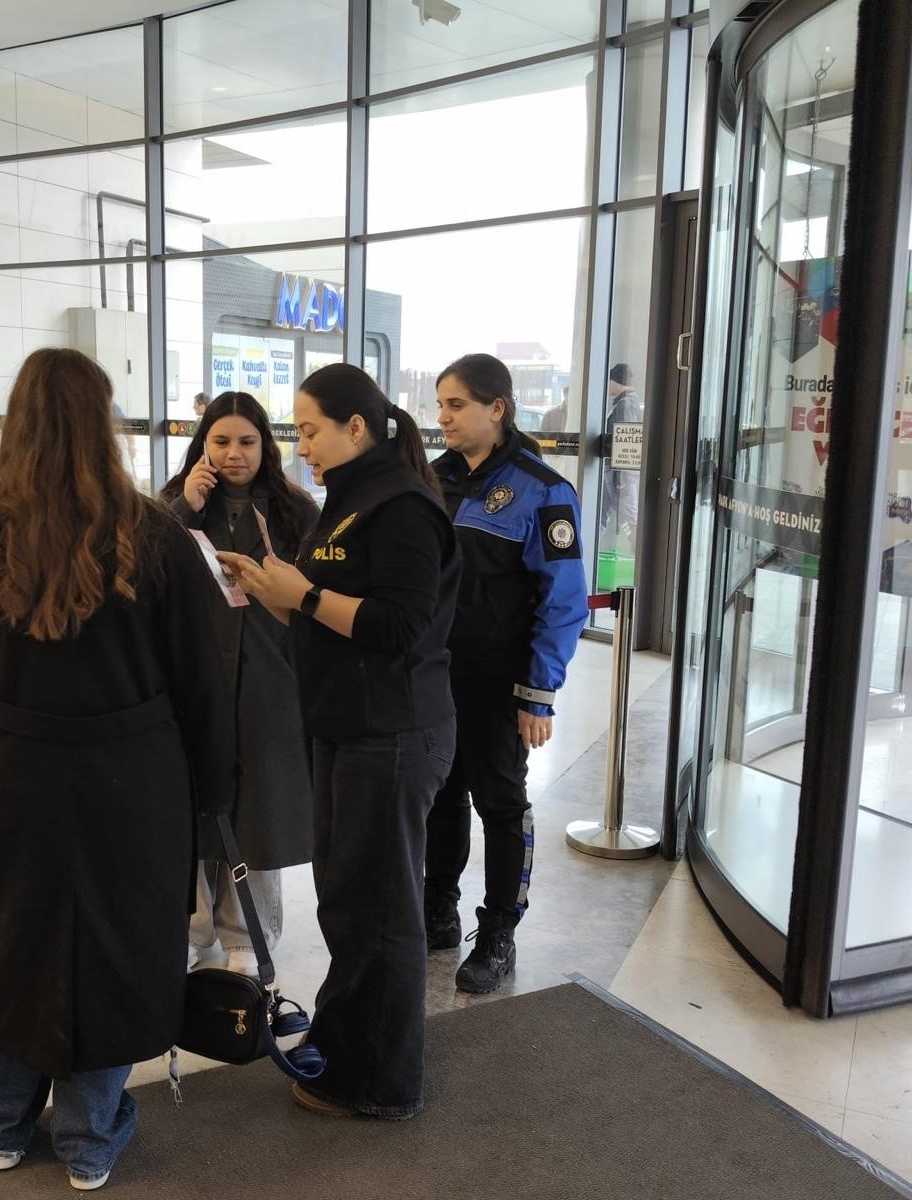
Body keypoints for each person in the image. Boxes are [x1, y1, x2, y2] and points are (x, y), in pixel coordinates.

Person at [0, 348, 235, 1190]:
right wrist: (212, 789)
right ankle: (90, 1138)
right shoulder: (156, 535)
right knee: (119, 947)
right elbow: (203, 682)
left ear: (16, 422)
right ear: (105, 422)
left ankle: (0, 1122)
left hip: (8, 772)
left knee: (10, 939)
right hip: (134, 778)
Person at [220, 363, 459, 1121]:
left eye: (310, 430)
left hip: (391, 733)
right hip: (345, 727)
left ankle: (381, 1083)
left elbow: (400, 627)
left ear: (357, 427)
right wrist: (274, 594)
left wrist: (307, 595)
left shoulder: (404, 506)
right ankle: (348, 1052)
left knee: (379, 914)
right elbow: (328, 618)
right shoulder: (350, 500)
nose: (301, 446)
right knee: (350, 906)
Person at [424, 353, 589, 993]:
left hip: (499, 680)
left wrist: (538, 693)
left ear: (497, 408)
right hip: (434, 675)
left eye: (456, 405)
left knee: (499, 802)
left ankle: (498, 933)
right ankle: (437, 909)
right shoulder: (430, 480)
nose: (443, 418)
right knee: (440, 794)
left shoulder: (542, 490)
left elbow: (563, 601)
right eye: (440, 405)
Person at [163, 392, 318, 976]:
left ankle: (250, 933)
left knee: (261, 808)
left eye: (247, 442)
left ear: (265, 445)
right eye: (221, 441)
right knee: (193, 804)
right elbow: (144, 568)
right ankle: (193, 927)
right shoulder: (174, 506)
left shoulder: (294, 510)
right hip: (195, 676)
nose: (234, 454)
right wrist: (185, 507)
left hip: (268, 675)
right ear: (203, 445)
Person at [600, 363, 644, 554]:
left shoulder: (626, 405)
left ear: (615, 381)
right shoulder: (626, 403)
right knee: (603, 513)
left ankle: (639, 558)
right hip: (618, 474)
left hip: (619, 475)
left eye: (609, 381)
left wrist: (622, 477)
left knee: (628, 518)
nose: (608, 386)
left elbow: (626, 445)